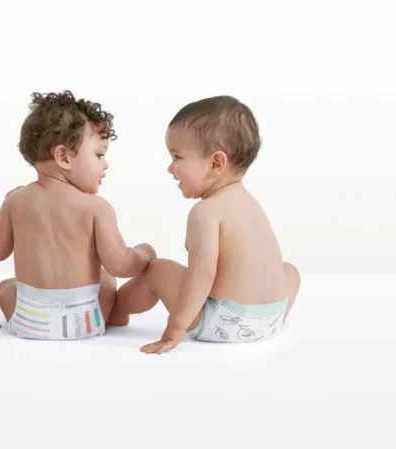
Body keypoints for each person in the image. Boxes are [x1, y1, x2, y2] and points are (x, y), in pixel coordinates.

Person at [106, 95, 301, 353]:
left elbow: (203, 274)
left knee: (158, 270)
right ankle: (264, 316)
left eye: (177, 157)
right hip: (271, 320)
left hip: (223, 323)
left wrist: (176, 327)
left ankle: (117, 310)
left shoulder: (205, 212)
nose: (170, 168)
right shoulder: (251, 204)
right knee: (289, 270)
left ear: (216, 163)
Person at [0, 90, 155, 340]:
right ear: (63, 156)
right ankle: (113, 315)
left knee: (5, 287)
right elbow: (120, 264)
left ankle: (33, 322)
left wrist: (6, 204)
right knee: (106, 279)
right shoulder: (96, 206)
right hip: (83, 323)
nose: (105, 164)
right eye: (99, 154)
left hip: (28, 322)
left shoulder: (16, 201)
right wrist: (144, 254)